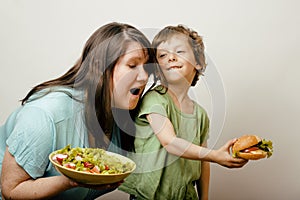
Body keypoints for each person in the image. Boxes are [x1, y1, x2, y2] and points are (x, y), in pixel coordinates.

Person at [0, 22, 163, 199]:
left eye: (147, 67)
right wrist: (71, 180)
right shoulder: (44, 114)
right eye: (132, 65)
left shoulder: (123, 114)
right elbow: (11, 191)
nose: (144, 76)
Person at [119, 25, 248, 200]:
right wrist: (216, 156)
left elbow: (203, 164)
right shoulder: (154, 99)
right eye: (163, 55)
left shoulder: (200, 115)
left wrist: (204, 198)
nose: (171, 58)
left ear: (198, 62)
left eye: (179, 51)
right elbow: (170, 142)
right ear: (158, 69)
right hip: (148, 196)